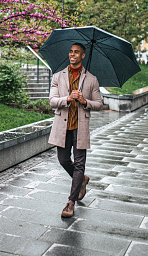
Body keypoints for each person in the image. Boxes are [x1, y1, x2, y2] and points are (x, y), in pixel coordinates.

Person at [48, 43, 103, 218]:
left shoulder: (92, 79)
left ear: (83, 55)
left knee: (79, 163)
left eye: (76, 52)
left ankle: (70, 203)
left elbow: (99, 104)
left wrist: (85, 101)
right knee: (63, 159)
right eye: (71, 51)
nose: (72, 54)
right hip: (62, 127)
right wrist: (68, 98)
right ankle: (82, 180)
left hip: (80, 127)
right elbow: (52, 101)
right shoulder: (58, 76)